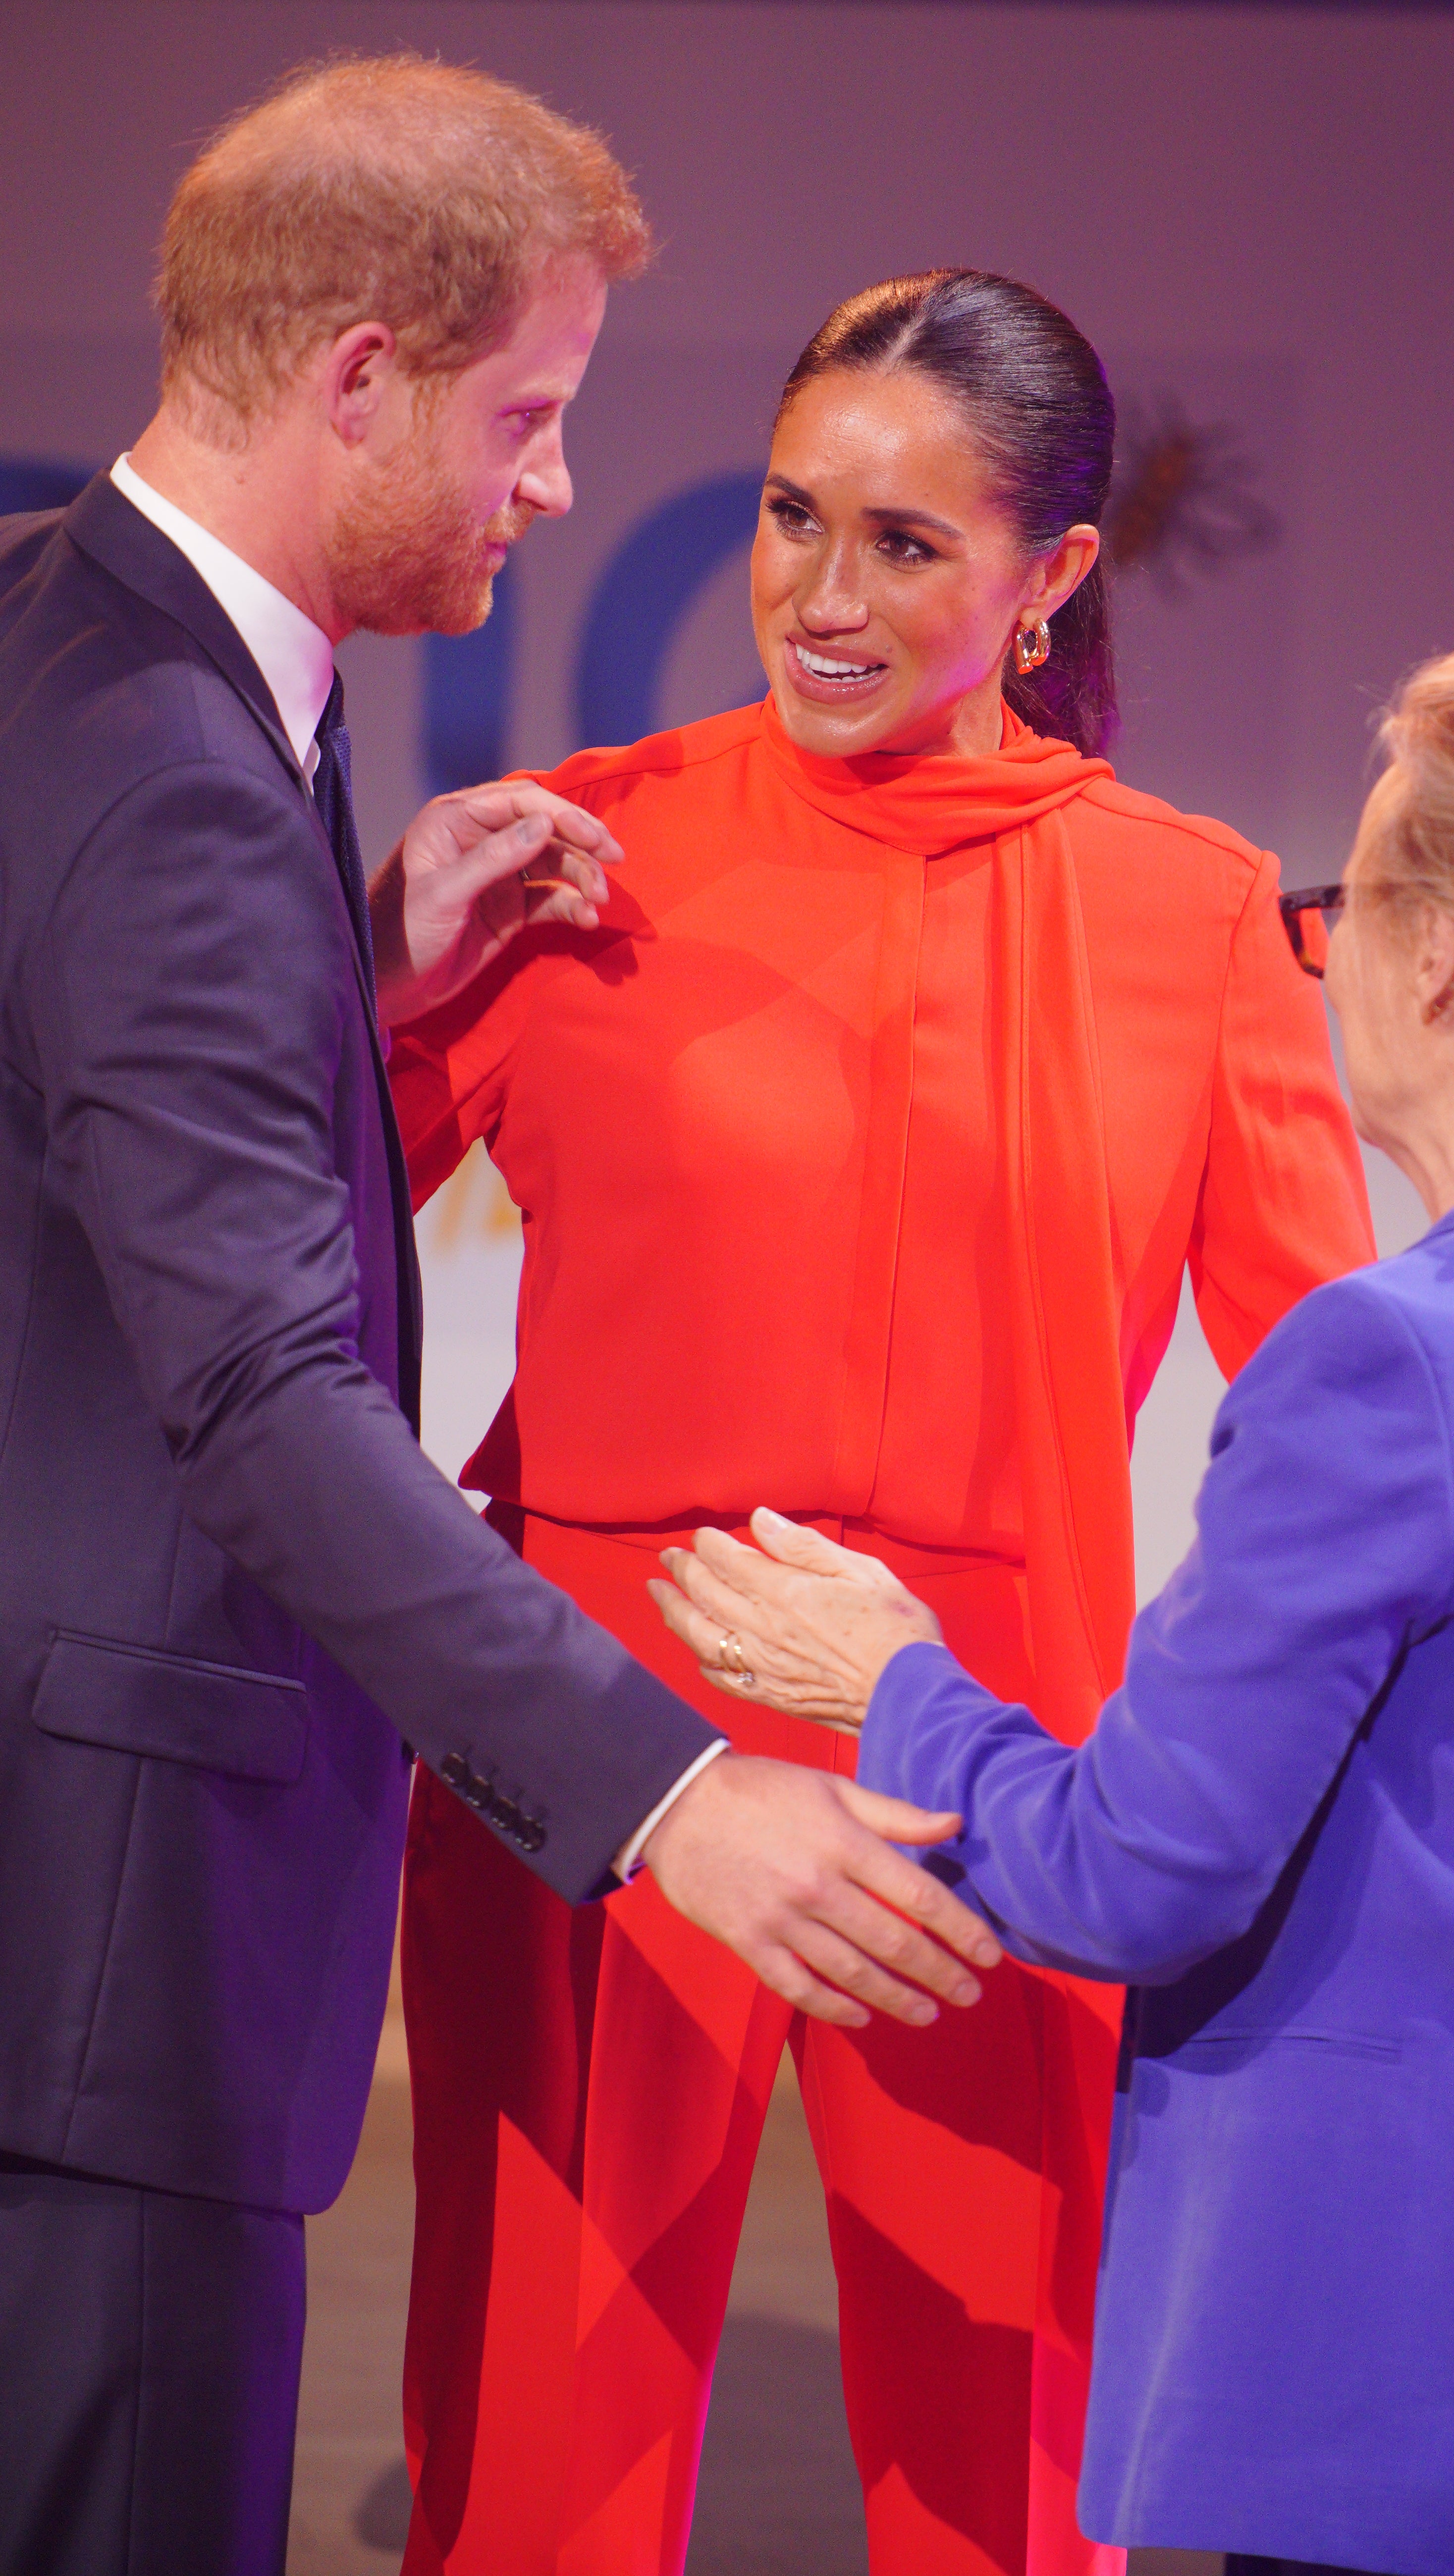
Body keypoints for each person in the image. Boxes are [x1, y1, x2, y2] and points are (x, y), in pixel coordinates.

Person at [0, 69, 993, 2576]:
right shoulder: (180, 773)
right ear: (359, 376)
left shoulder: (56, 630)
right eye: (528, 417)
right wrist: (678, 1789)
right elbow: (248, 1393)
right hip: (106, 1964)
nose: (552, 487)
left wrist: (349, 975)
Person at [654, 635, 1454, 2576]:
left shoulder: (1397, 1361)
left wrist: (888, 1676)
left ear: (1438, 952)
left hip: (1448, 2385)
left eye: (1338, 906)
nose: (1322, 955)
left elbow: (1134, 1873)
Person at [386, 268, 1373, 2576]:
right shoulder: (573, 854)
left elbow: (1333, 1419)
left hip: (994, 1762)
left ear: (1048, 584)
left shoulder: (1198, 915)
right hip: (599, 1741)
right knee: (534, 2460)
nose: (821, 597)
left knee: (1020, 2477)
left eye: (905, 546)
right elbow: (271, 1257)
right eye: (790, 516)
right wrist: (381, 975)